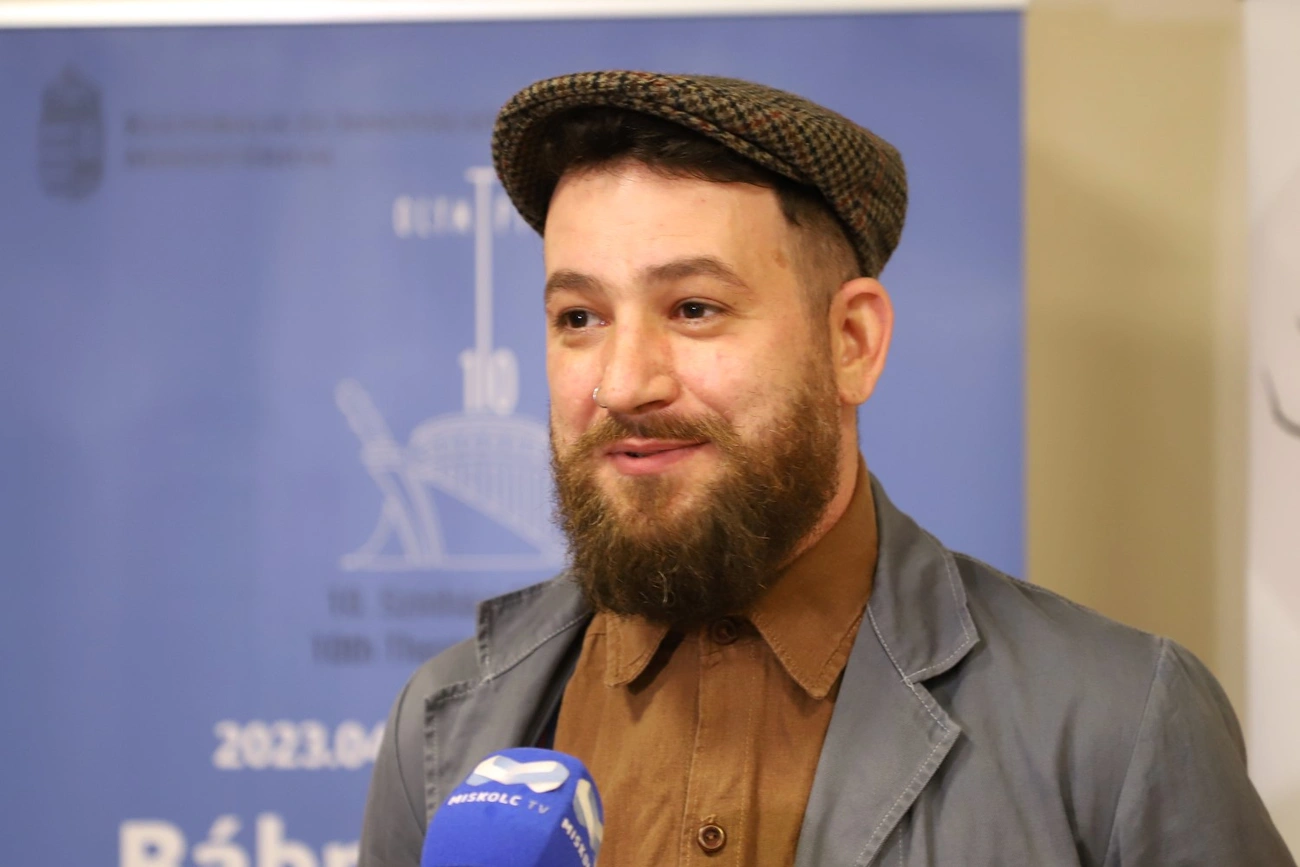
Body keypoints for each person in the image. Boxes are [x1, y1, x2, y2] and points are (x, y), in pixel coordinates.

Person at [359, 71, 1294, 866]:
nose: (623, 382)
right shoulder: (445, 727)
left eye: (694, 308)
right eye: (579, 318)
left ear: (852, 341)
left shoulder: (1116, 726)